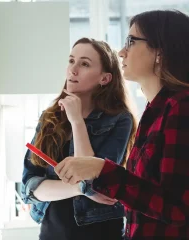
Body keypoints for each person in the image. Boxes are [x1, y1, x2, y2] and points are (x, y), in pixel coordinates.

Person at [55, 10, 189, 240]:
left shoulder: (181, 108)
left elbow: (177, 209)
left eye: (131, 41)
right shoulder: (153, 111)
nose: (121, 51)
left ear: (160, 51)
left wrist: (100, 169)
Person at [21, 37, 137, 240]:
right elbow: (30, 187)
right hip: (53, 233)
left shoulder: (120, 119)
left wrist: (76, 121)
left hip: (101, 233)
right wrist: (79, 189)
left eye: (84, 64)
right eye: (71, 60)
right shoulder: (49, 118)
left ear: (105, 78)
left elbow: (95, 180)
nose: (72, 70)